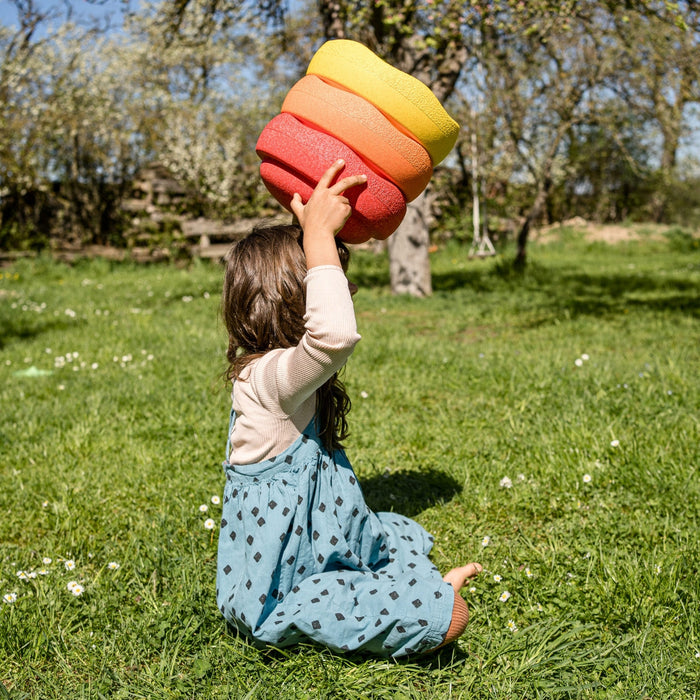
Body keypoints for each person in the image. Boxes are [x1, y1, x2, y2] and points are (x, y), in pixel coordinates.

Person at [217, 159, 482, 657]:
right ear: (295, 299)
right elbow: (334, 335)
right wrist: (316, 241)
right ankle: (433, 595)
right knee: (436, 616)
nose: (344, 289)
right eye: (327, 278)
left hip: (317, 544)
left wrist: (314, 229)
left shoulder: (280, 375)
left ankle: (402, 582)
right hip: (286, 586)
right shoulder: (265, 381)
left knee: (394, 538)